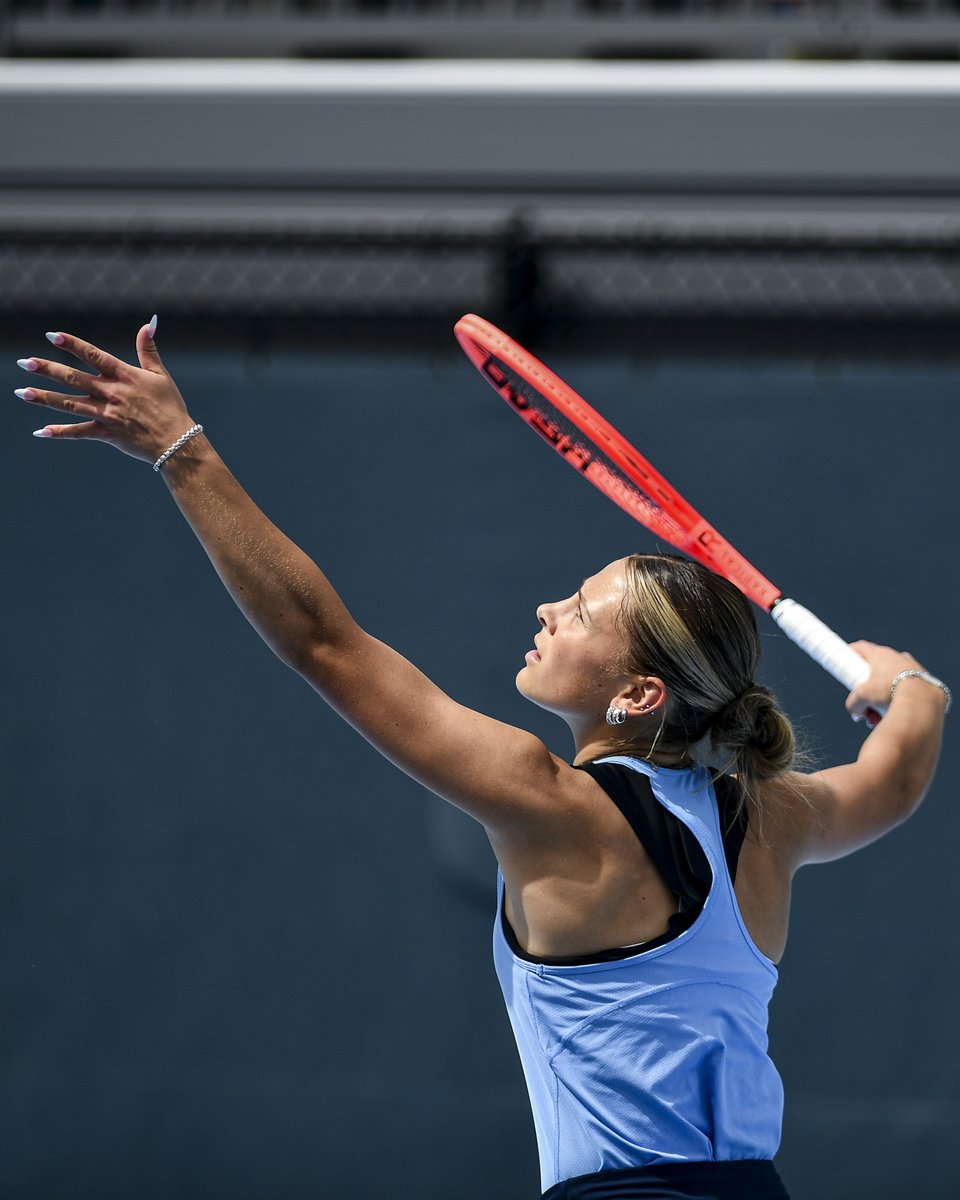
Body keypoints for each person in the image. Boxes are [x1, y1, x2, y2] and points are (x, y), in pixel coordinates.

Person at [16, 321, 948, 1200]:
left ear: (638, 696)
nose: (548, 610)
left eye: (580, 612)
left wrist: (184, 452)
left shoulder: (550, 801)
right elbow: (895, 778)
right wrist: (912, 688)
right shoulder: (773, 819)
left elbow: (323, 644)